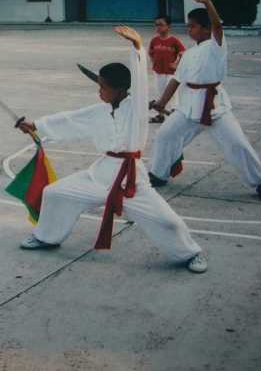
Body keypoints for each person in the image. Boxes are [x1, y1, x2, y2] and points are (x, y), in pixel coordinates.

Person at [16, 26, 206, 273]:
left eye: (103, 86)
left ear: (120, 89)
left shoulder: (136, 107)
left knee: (168, 223)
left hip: (132, 183)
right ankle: (46, 237)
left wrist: (137, 48)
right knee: (55, 193)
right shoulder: (99, 110)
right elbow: (70, 120)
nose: (99, 91)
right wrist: (36, 125)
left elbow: (139, 84)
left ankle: (191, 253)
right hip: (99, 175)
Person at [149, 0, 261, 202]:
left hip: (216, 109)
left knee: (238, 144)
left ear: (206, 29)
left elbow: (217, 25)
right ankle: (159, 174)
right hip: (188, 109)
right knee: (164, 135)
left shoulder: (216, 46)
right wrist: (161, 103)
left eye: (193, 26)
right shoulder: (188, 54)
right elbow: (176, 80)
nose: (189, 30)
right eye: (188, 26)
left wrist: (207, 2)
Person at [148, 15, 185, 124]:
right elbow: (151, 52)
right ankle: (160, 115)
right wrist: (153, 62)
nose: (158, 27)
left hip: (171, 73)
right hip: (159, 72)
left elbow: (183, 53)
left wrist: (177, 64)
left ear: (168, 26)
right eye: (156, 25)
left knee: (172, 95)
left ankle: (174, 116)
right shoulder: (154, 40)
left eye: (161, 25)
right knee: (160, 93)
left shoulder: (174, 41)